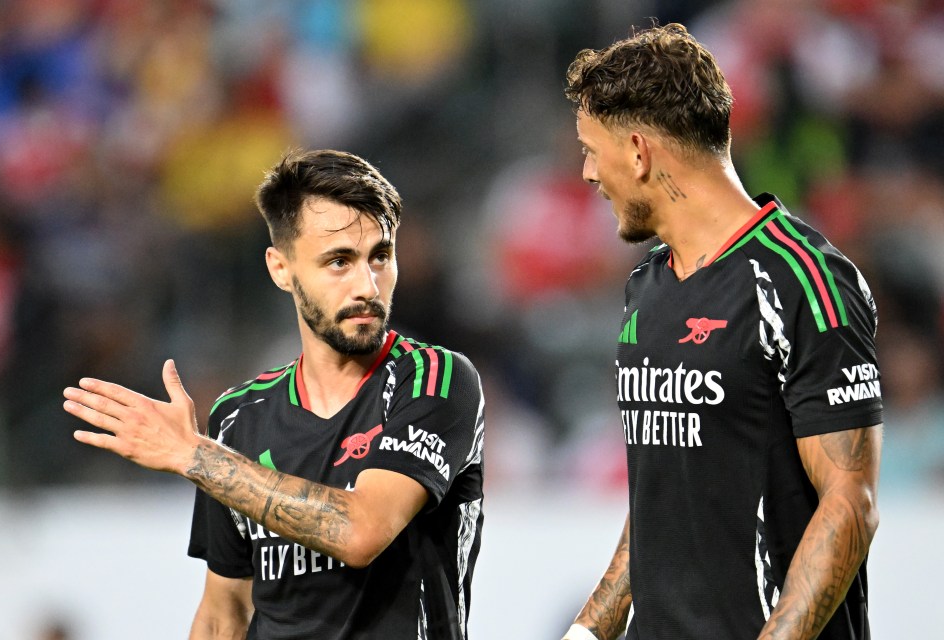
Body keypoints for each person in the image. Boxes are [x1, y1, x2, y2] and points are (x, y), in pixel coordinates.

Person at [62, 149, 486, 640]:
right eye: (339, 262)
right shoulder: (237, 419)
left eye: (380, 257)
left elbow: (361, 532)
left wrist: (194, 454)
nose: (367, 285)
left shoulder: (434, 379)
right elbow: (225, 613)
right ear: (281, 269)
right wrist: (203, 453)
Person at [559, 23, 882, 640]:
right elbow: (664, 494)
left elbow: (850, 502)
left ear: (637, 150)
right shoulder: (646, 287)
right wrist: (589, 631)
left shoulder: (806, 283)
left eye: (590, 150)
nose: (585, 174)